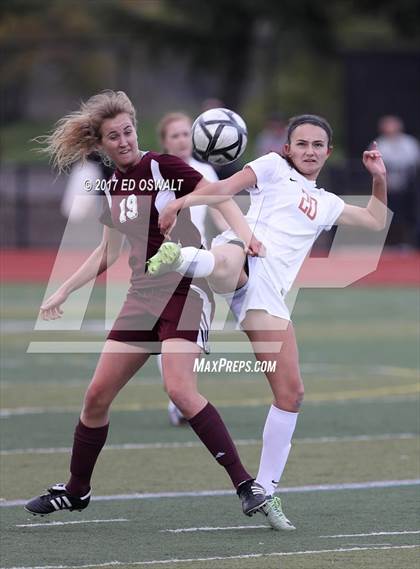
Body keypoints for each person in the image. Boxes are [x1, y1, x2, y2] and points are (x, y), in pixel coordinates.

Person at [24, 90, 268, 518]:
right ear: (100, 145)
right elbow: (107, 253)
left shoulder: (163, 165)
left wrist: (247, 237)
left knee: (179, 389)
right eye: (113, 136)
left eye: (128, 131)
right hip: (142, 296)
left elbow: (219, 196)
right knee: (96, 397)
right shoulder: (115, 185)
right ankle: (77, 489)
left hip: (186, 290)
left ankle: (247, 486)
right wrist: (64, 290)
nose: (124, 140)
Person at [148, 114, 388, 530]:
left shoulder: (327, 202)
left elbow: (375, 220)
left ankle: (264, 490)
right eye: (302, 144)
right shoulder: (273, 168)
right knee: (230, 258)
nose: (309, 151)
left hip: (269, 294)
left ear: (327, 153)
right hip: (242, 253)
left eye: (317, 145)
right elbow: (222, 189)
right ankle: (182, 257)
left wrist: (378, 178)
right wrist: (179, 202)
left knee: (291, 393)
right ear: (287, 148)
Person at [157, 111, 229, 426]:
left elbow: (220, 212)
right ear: (164, 141)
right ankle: (179, 400)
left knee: (193, 344)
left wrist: (235, 240)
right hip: (159, 264)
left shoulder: (204, 171)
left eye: (187, 134)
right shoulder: (154, 173)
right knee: (166, 339)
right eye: (175, 135)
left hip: (196, 263)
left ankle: (183, 397)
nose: (183, 140)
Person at [374, 115, 420, 247]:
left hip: (408, 188)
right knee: (388, 215)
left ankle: (408, 242)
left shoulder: (409, 143)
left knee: (408, 215)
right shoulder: (379, 144)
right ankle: (389, 243)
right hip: (387, 189)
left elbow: (414, 163)